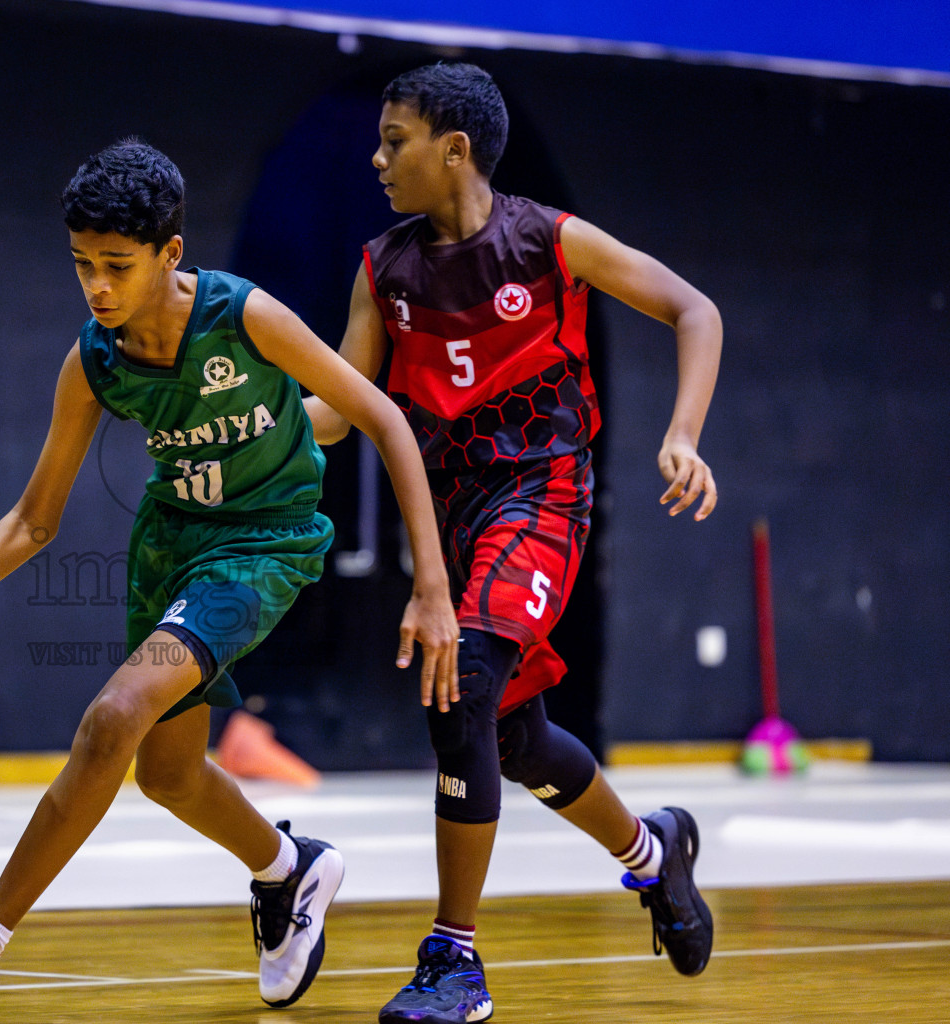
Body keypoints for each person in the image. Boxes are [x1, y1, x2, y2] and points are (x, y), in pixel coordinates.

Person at [0, 138, 460, 1024]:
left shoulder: (244, 317)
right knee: (167, 774)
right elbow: (32, 519)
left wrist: (430, 586)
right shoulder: (95, 362)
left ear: (170, 255)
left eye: (116, 266)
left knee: (114, 716)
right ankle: (290, 870)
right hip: (172, 545)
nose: (96, 286)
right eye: (83, 265)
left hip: (264, 544)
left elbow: (383, 418)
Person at [303, 62, 721, 1024]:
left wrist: (683, 434)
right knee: (515, 738)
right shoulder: (384, 270)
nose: (376, 159)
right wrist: (263, 418)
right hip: (452, 514)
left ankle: (454, 959)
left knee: (466, 681)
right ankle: (654, 855)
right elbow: (344, 406)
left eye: (393, 140)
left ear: (454, 150)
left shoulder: (548, 241)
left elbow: (695, 309)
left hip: (542, 494)